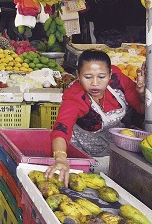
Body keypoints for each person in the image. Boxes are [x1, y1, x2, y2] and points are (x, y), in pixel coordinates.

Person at [45, 50, 145, 183]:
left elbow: (142, 109)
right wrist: (61, 159)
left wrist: (143, 94)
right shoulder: (74, 96)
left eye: (102, 77)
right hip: (83, 156)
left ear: (110, 74)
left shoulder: (117, 80)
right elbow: (61, 128)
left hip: (113, 151)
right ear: (78, 76)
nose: (95, 83)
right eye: (88, 77)